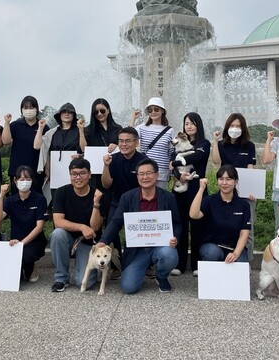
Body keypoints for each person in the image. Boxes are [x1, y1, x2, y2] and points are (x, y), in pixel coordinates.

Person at [97, 158, 181, 294]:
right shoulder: (127, 197)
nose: (145, 177)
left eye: (149, 173)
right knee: (128, 288)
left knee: (169, 254)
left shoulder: (168, 197)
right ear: (137, 177)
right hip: (137, 249)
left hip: (160, 246)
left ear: (157, 175)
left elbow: (177, 223)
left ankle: (161, 276)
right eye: (141, 174)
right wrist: (103, 241)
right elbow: (116, 222)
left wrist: (175, 238)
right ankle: (140, 268)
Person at [50, 158, 105, 292]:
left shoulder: (98, 194)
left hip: (89, 242)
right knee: (57, 234)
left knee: (83, 283)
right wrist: (81, 226)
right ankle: (61, 278)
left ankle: (91, 270)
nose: (78, 177)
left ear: (90, 174)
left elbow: (95, 227)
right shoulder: (61, 192)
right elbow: (58, 222)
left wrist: (96, 204)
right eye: (74, 174)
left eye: (82, 173)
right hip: (68, 238)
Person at [101, 126, 148, 277]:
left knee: (139, 234)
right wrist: (106, 166)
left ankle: (144, 264)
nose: (123, 144)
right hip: (118, 201)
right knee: (111, 230)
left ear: (136, 142)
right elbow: (106, 184)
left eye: (128, 141)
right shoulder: (113, 159)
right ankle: (116, 265)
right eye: (121, 141)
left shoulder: (144, 161)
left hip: (138, 203)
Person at [211, 112, 257, 262]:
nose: (235, 128)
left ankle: (247, 263)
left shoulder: (249, 146)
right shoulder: (221, 144)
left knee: (248, 232)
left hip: (245, 193)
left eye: (238, 126)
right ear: (227, 127)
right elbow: (216, 161)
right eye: (232, 125)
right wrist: (215, 140)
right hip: (226, 190)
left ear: (243, 128)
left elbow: (251, 168)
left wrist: (252, 190)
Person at [170, 112, 210, 276]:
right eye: (186, 123)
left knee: (197, 226)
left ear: (198, 125)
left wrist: (175, 162)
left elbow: (197, 156)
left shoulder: (204, 143)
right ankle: (178, 264)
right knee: (180, 225)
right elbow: (172, 162)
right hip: (180, 187)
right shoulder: (178, 143)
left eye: (192, 123)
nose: (189, 126)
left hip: (197, 188)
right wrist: (179, 175)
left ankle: (196, 265)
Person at [0, 166, 48, 282]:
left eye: (28, 179)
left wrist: (22, 243)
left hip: (34, 242)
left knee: (26, 258)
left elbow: (39, 227)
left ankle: (31, 267)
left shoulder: (39, 199)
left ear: (32, 180)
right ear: (15, 180)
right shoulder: (10, 201)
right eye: (21, 179)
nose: (25, 182)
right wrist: (1, 197)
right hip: (14, 241)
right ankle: (23, 269)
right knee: (15, 279)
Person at [190, 166, 251, 265]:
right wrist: (201, 189)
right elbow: (194, 214)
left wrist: (235, 254)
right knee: (212, 253)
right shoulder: (210, 200)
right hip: (212, 246)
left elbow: (244, 233)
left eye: (228, 179)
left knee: (240, 263)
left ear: (236, 181)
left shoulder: (243, 205)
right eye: (221, 179)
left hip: (234, 248)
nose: (224, 183)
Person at [35, 102, 86, 193]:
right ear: (60, 115)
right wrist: (40, 128)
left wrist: (81, 131)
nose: (66, 114)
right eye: (64, 112)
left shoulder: (79, 130)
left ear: (74, 115)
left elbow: (84, 149)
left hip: (75, 172)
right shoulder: (52, 133)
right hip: (56, 174)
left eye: (69, 112)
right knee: (57, 201)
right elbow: (38, 146)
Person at [2, 95, 48, 195]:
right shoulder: (15, 125)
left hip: (36, 171)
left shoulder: (43, 126)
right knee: (16, 200)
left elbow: (41, 147)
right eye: (25, 108)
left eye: (31, 108)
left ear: (37, 109)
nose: (28, 110)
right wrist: (6, 123)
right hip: (16, 170)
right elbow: (6, 141)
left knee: (36, 199)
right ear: (21, 110)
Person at [131, 97, 175, 190]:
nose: (153, 112)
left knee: (159, 200)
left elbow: (171, 151)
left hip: (162, 172)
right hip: (145, 171)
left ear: (162, 111)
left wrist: (172, 172)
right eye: (150, 110)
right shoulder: (142, 128)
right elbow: (129, 136)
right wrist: (133, 119)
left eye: (156, 109)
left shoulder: (170, 130)